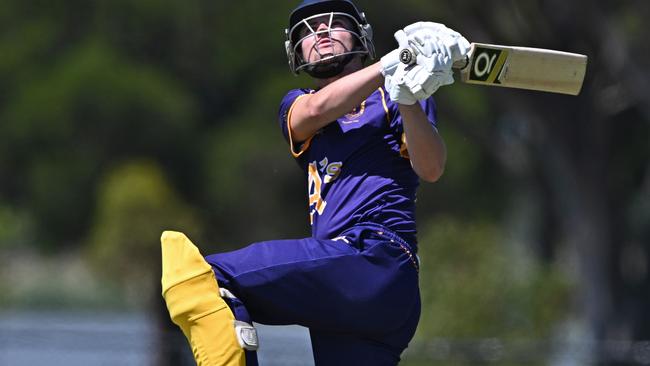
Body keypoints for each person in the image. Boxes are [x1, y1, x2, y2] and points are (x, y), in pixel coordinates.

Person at [160, 0, 470, 365]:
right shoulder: (298, 102)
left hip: (377, 258)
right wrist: (390, 64)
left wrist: (407, 98)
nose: (319, 31)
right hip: (353, 293)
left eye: (333, 23)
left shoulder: (398, 94)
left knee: (207, 277)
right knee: (213, 285)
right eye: (306, 30)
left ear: (360, 37)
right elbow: (316, 112)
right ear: (297, 52)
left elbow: (431, 167)